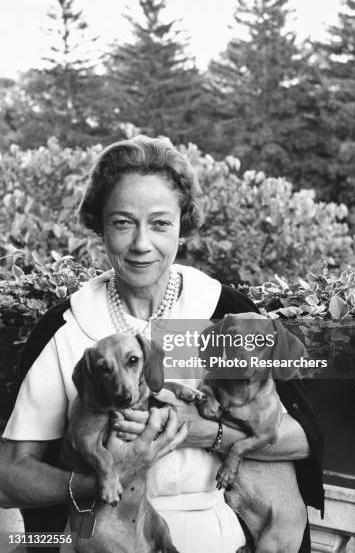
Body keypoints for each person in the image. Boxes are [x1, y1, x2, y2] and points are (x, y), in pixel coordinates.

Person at [0, 136, 324, 553]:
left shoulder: (223, 312)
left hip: (222, 537)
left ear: (182, 226)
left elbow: (304, 438)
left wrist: (200, 432)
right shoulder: (65, 328)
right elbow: (8, 479)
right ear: (98, 224)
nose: (140, 244)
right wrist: (102, 477)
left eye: (160, 223)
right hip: (103, 537)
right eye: (121, 222)